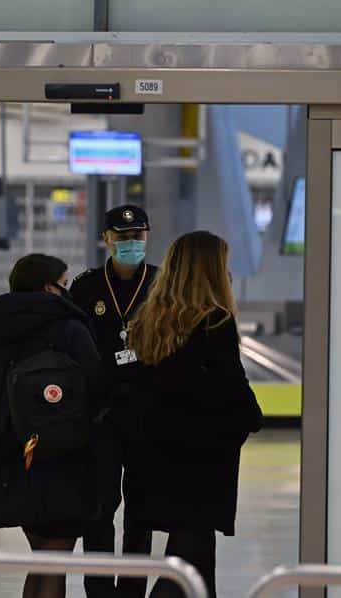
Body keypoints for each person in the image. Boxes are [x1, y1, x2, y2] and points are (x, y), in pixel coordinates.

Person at [125, 231, 263, 598]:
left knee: (193, 557)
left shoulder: (149, 320)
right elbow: (230, 385)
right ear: (210, 270)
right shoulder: (213, 321)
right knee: (190, 559)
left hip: (156, 452)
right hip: (200, 457)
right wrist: (252, 417)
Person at [0, 254, 101, 598]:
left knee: (43, 559)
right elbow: (96, 388)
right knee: (55, 563)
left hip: (16, 459)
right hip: (65, 458)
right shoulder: (70, 329)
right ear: (48, 287)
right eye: (64, 282)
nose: (68, 289)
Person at [70, 205, 156, 598]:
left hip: (145, 413)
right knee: (100, 509)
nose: (130, 243)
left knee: (141, 511)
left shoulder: (161, 284)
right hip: (100, 415)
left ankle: (132, 591)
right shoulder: (86, 287)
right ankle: (99, 589)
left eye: (137, 235)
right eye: (121, 237)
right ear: (106, 239)